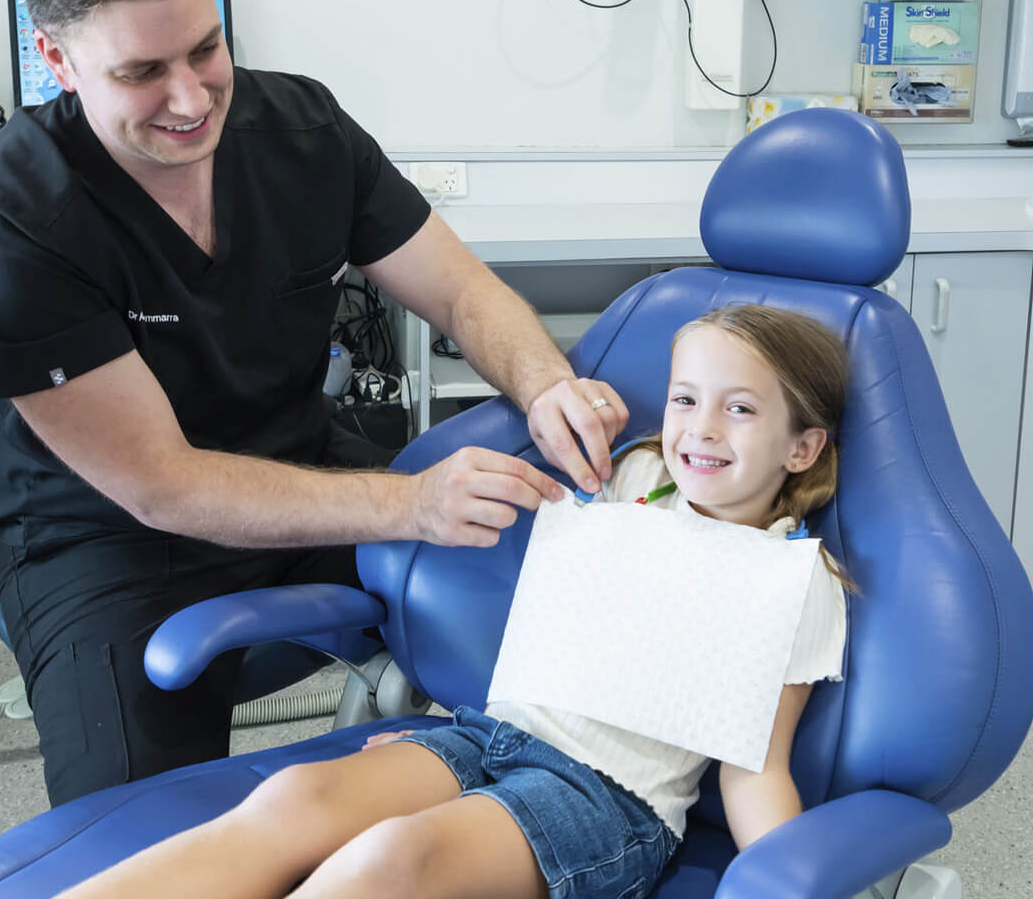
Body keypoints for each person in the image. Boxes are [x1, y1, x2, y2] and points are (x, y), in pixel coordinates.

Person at [0, 0, 630, 806]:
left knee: (560, 610)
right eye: (142, 73)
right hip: (105, 537)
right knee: (147, 845)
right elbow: (162, 484)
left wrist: (545, 382)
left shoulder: (302, 130)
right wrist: (411, 505)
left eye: (204, 48)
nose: (190, 100)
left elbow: (465, 294)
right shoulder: (18, 209)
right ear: (57, 60)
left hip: (303, 472)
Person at [54, 303, 852, 899]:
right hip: (486, 736)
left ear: (803, 446)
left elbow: (756, 769)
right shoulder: (635, 478)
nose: (701, 429)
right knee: (298, 797)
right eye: (685, 399)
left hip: (607, 798)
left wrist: (787, 883)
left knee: (391, 859)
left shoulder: (789, 576)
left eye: (740, 409)